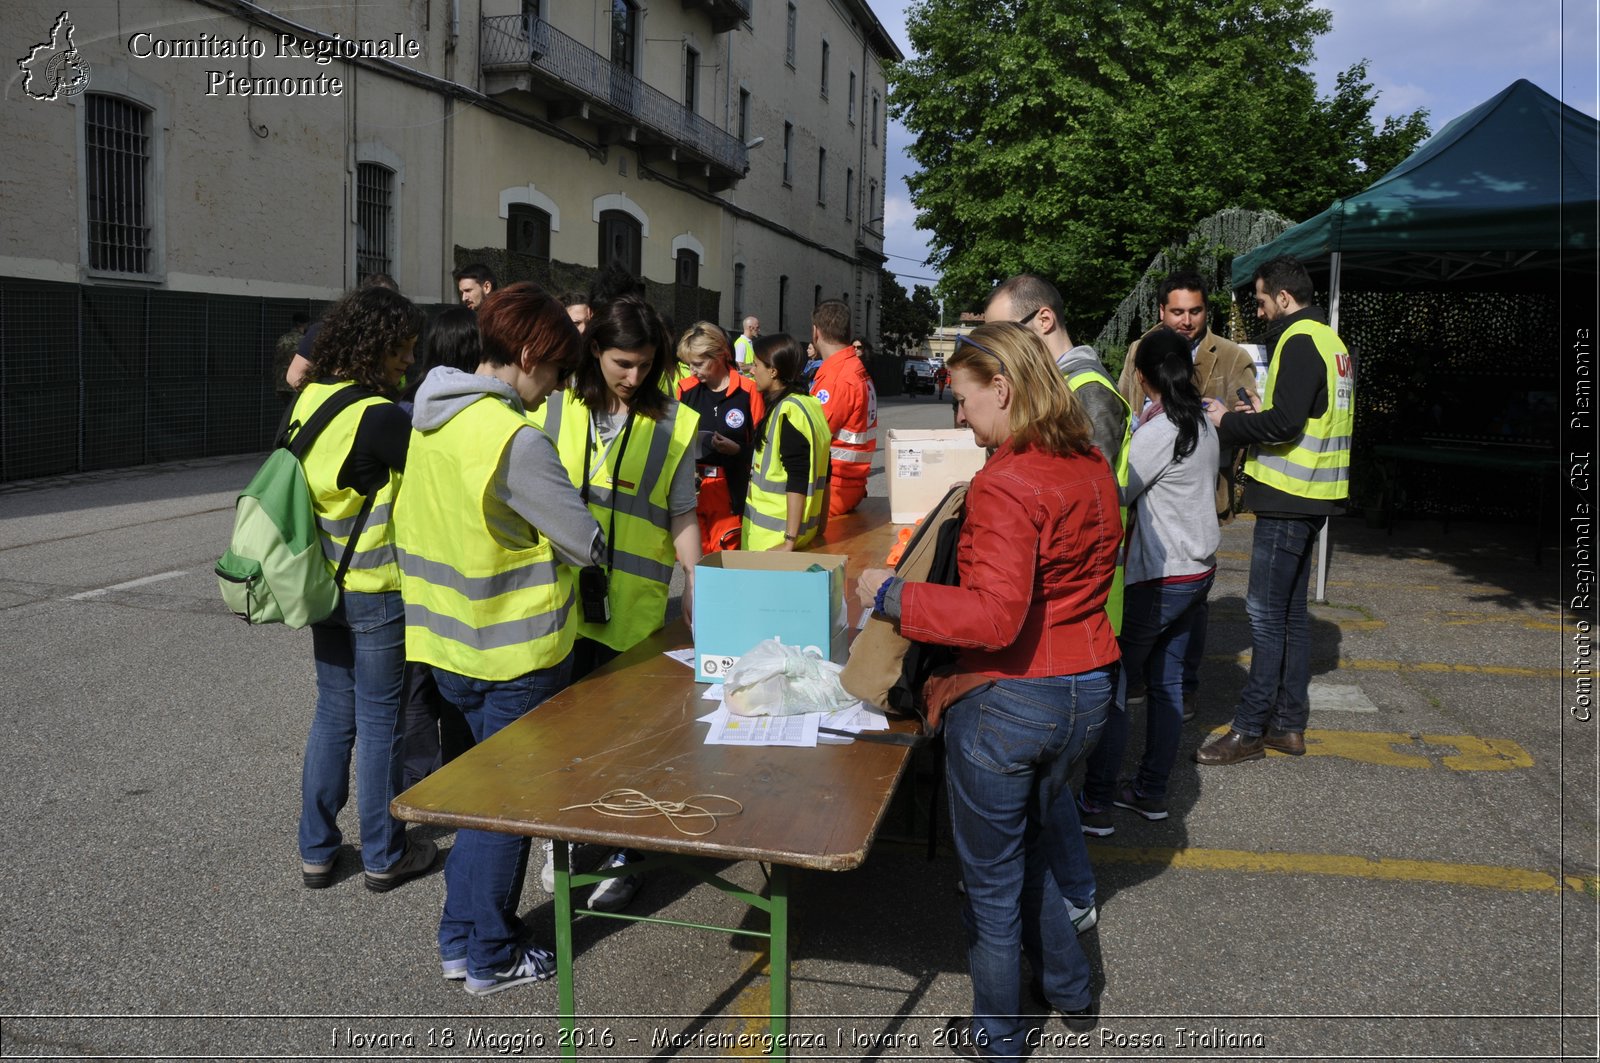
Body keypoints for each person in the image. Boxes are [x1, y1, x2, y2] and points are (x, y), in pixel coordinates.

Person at [854, 322, 1120, 1054]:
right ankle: (1069, 987)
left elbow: (995, 615)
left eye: (965, 401)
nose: (959, 417)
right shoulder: (1090, 461)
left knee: (993, 892)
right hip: (1085, 689)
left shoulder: (1006, 480)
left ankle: (998, 1037)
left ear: (1002, 388)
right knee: (1030, 846)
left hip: (1009, 702)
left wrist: (893, 597)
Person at [394, 281, 602, 996]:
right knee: (505, 809)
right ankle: (491, 952)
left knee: (477, 798)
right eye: (552, 372)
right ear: (524, 353)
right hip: (518, 655)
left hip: (447, 648)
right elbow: (582, 541)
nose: (553, 391)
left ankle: (459, 937)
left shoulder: (429, 418)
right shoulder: (515, 437)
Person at [528, 295, 702, 908]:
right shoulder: (553, 406)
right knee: (563, 737)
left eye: (645, 365)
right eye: (622, 363)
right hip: (559, 602)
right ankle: (566, 843)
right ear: (594, 350)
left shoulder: (674, 422)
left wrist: (695, 580)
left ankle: (626, 848)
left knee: (629, 741)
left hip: (631, 609)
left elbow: (682, 509)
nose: (634, 378)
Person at [293, 284, 438, 894]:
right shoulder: (378, 416)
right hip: (375, 587)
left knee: (332, 715)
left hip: (322, 583)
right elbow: (434, 481)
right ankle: (383, 852)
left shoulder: (309, 400)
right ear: (376, 346)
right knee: (381, 724)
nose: (409, 361)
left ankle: (317, 849)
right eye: (402, 350)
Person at [1195, 255, 1354, 766]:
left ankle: (1248, 730)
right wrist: (1261, 413)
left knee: (1265, 618)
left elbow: (1285, 425)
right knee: (1289, 617)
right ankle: (1288, 725)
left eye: (1262, 301)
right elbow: (1301, 416)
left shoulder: (1299, 339)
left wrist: (1227, 423)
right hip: (1312, 496)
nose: (1260, 312)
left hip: (1289, 498)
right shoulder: (1331, 342)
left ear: (1284, 298)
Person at [1079, 328, 1220, 831]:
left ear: (1141, 377)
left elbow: (1116, 491)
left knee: (1116, 685)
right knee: (1164, 686)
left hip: (1163, 576)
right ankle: (1150, 791)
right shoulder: (1201, 420)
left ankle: (1095, 802)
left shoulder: (1162, 432)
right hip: (1198, 571)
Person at [1116, 270, 1258, 722]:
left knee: (1185, 600)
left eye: (1194, 311)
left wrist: (1229, 422)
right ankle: (1161, 687)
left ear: (1206, 312)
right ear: (1161, 311)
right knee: (1173, 597)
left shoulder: (1231, 355)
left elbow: (1248, 418)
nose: (1186, 320)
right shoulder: (1141, 350)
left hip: (1197, 495)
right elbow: (1123, 407)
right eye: (1177, 311)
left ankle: (1181, 687)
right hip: (1146, 497)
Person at [986, 274, 1131, 634]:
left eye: (1006, 333)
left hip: (1087, 585)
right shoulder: (1058, 388)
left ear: (1044, 320)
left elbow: (1085, 502)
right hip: (1068, 578)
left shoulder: (1088, 391)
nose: (999, 349)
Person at [396, 306, 481, 788]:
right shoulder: (473, 411)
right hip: (459, 570)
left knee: (415, 690)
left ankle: (421, 785)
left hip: (410, 569)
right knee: (453, 688)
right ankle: (458, 782)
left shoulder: (410, 403)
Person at [675, 321, 764, 544]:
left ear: (720, 355)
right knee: (694, 566)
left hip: (730, 489)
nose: (693, 371)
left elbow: (763, 448)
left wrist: (738, 450)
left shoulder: (748, 390)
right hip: (692, 489)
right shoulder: (685, 390)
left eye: (698, 363)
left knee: (725, 562)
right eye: (689, 364)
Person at [744, 334, 831, 550]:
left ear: (773, 371)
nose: (752, 371)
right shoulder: (810, 405)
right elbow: (826, 471)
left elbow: (798, 478)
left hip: (772, 540)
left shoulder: (786, 412)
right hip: (793, 533)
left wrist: (788, 542)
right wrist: (820, 526)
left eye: (756, 365)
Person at [808, 299, 877, 516]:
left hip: (833, 487)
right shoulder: (853, 368)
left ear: (815, 332)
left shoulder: (837, 377)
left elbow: (812, 436)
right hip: (847, 483)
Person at [287, 273, 400, 391]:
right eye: (383, 300)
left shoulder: (393, 337)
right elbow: (294, 375)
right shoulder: (325, 331)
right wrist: (332, 401)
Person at [274, 311, 310, 410]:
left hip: (282, 383)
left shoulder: (283, 339)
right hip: (297, 383)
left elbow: (277, 360)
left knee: (286, 412)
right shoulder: (304, 340)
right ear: (304, 324)